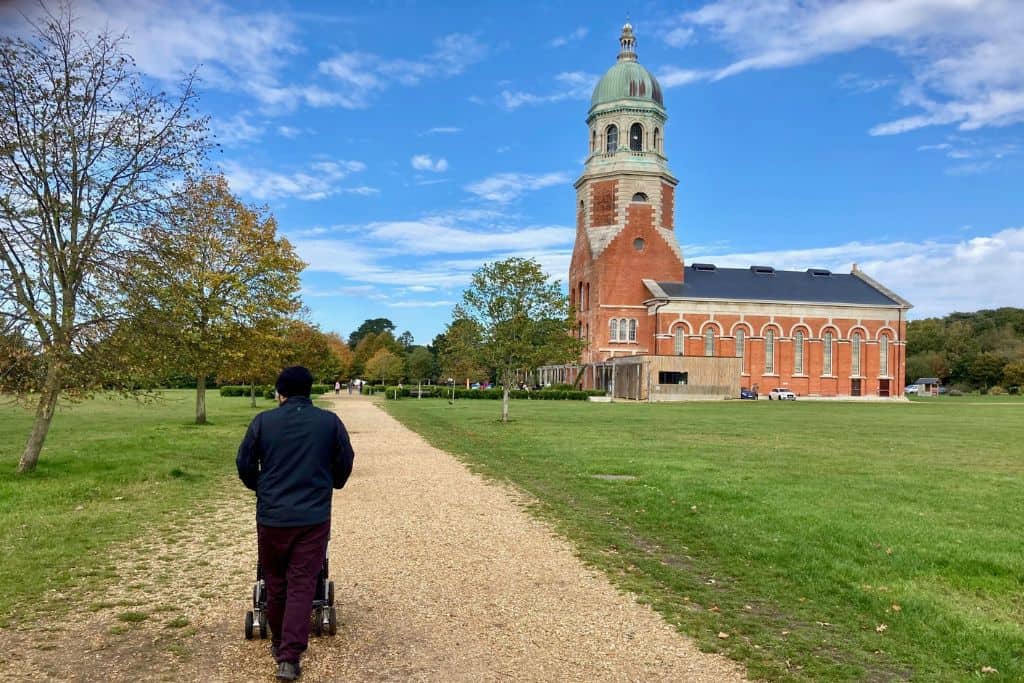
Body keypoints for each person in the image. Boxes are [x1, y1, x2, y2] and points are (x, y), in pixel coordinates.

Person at [236, 366, 356, 681]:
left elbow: (244, 462)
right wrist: (333, 482)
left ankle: (279, 643)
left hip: (273, 517)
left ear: (280, 393)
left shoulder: (263, 422)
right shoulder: (329, 423)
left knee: (276, 583)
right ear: (309, 391)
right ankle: (289, 657)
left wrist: (261, 487)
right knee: (303, 583)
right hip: (312, 517)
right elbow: (344, 460)